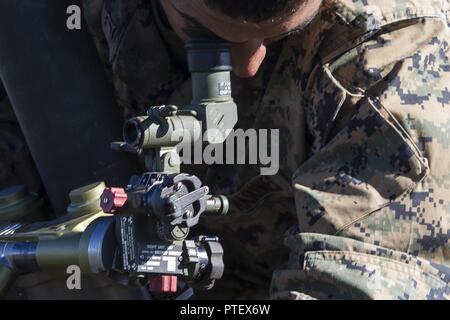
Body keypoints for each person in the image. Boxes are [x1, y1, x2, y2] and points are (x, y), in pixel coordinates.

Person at [2, 0, 450, 299]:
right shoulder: (49, 15)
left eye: (276, 38)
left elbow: (360, 284)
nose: (248, 65)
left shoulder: (392, 50)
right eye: (206, 36)